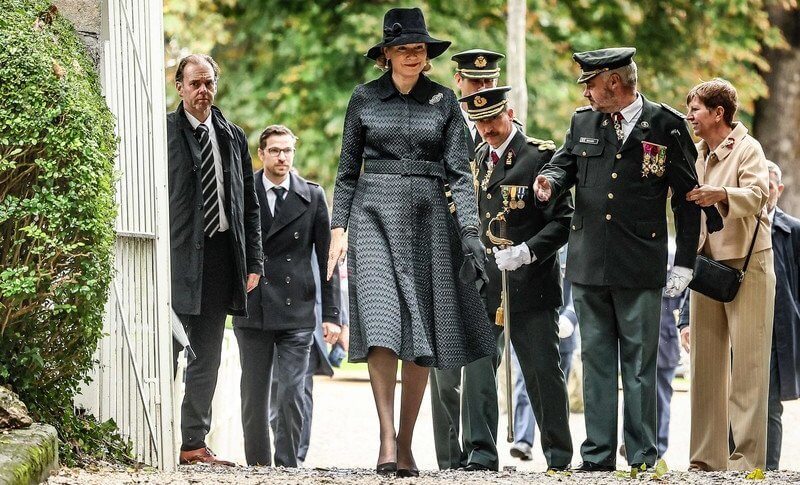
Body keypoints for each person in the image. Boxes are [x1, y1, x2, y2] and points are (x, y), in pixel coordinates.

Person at [326, 8, 495, 477]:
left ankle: (406, 442)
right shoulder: (363, 98)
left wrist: (469, 234)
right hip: (372, 215)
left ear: (427, 56)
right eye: (403, 49)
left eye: (419, 49)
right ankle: (385, 437)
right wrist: (338, 228)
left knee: (421, 331)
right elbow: (346, 172)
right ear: (386, 55)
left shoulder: (444, 103)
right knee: (381, 324)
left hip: (429, 221)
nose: (412, 56)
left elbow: (461, 174)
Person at [533, 47, 701, 471]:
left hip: (640, 264)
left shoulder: (666, 126)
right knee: (596, 362)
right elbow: (563, 165)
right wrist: (549, 182)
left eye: (590, 83)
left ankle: (643, 456)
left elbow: (686, 201)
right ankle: (598, 456)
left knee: (641, 365)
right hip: (590, 263)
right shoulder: (582, 121)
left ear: (613, 81)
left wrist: (684, 262)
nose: (586, 92)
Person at [462, 86, 573, 471]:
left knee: (542, 372)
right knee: (477, 369)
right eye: (479, 122)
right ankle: (480, 453)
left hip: (530, 282)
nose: (487, 129)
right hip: (485, 283)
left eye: (493, 120)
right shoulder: (475, 158)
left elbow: (564, 221)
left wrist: (528, 251)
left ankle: (558, 456)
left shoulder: (540, 157)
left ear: (509, 113)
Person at [167, 54, 263, 466]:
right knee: (166, 346)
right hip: (174, 256)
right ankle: (155, 429)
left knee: (207, 354)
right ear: (180, 87)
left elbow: (250, 204)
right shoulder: (164, 132)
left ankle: (192, 444)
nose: (203, 91)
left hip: (222, 257)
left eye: (209, 84)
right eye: (195, 84)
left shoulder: (233, 136)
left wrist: (255, 261)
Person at [233, 125, 340, 467]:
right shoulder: (242, 191)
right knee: (253, 394)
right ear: (261, 154)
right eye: (275, 151)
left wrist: (332, 316)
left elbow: (328, 261)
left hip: (297, 310)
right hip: (253, 306)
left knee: (293, 391)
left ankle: (288, 463)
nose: (282, 157)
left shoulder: (312, 196)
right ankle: (258, 464)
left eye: (287, 151)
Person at [681, 78, 775, 471]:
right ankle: (706, 459)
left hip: (747, 266)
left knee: (749, 368)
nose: (690, 116)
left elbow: (758, 195)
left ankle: (745, 461)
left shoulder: (748, 148)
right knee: (704, 367)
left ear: (719, 113)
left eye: (696, 109)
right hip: (707, 268)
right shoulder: (696, 152)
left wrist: (721, 195)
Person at [428, 48, 508, 473]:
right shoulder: (438, 129)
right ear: (458, 81)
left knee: (481, 368)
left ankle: (480, 455)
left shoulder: (508, 137)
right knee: (443, 372)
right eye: (473, 83)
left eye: (487, 84)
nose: (480, 91)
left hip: (489, 270)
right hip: (445, 261)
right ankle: (448, 458)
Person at [269, 248, 348, 465]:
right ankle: (283, 446)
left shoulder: (318, 219)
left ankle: (295, 455)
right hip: (272, 309)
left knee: (301, 388)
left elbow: (332, 272)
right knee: (276, 388)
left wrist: (340, 319)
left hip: (308, 318)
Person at [510, 246, 578, 461]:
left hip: (564, 331)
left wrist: (569, 317)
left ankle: (555, 443)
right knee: (525, 381)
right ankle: (523, 439)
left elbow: (576, 292)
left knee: (553, 388)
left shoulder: (573, 250)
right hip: (532, 318)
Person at [763, 161, 800, 470]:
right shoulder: (737, 223)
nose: (765, 193)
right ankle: (737, 466)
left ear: (779, 189)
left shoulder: (793, 230)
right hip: (743, 329)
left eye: (770, 187)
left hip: (779, 334)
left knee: (771, 406)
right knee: (738, 403)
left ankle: (769, 470)